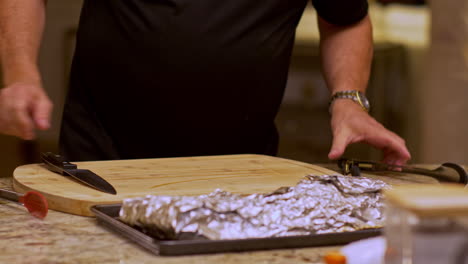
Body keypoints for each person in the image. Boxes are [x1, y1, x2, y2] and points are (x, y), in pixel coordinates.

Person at [0, 0, 411, 165]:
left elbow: (346, 18)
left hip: (236, 171)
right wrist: (20, 72)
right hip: (101, 160)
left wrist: (348, 99)